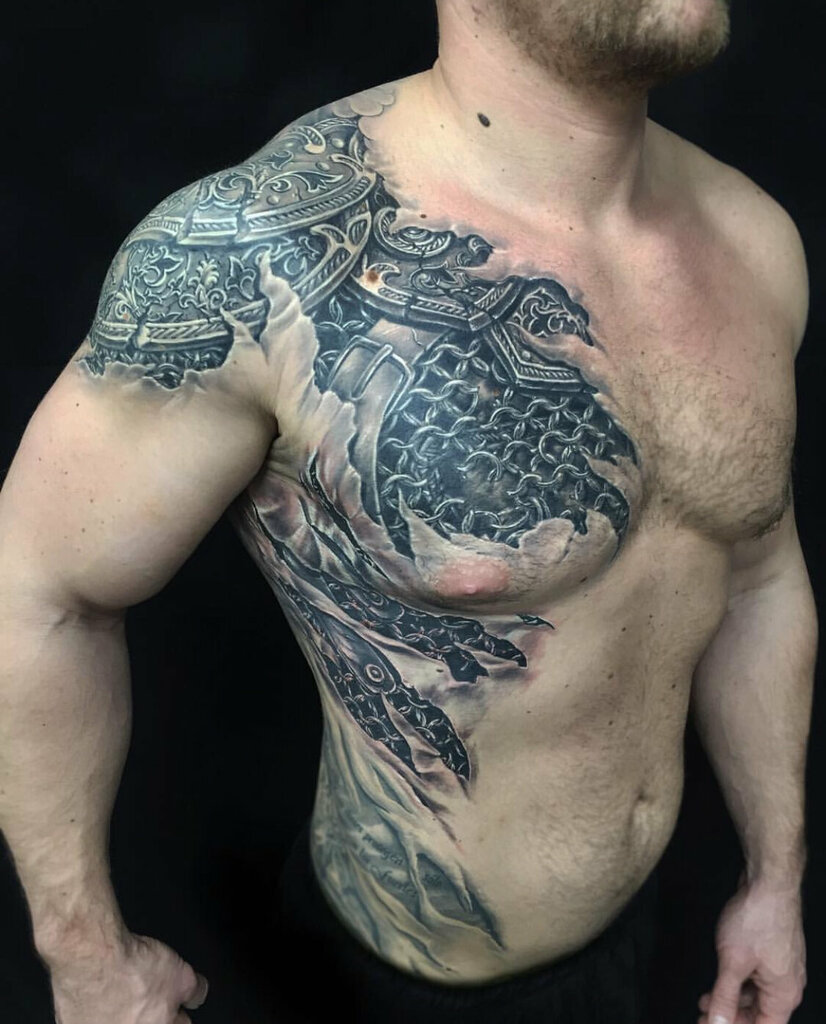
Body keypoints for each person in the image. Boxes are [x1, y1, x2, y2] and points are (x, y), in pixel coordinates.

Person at [0, 0, 814, 1022]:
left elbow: (760, 576)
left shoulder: (751, 237)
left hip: (655, 927)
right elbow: (36, 596)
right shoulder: (261, 260)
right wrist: (82, 955)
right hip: (390, 977)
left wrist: (774, 877)